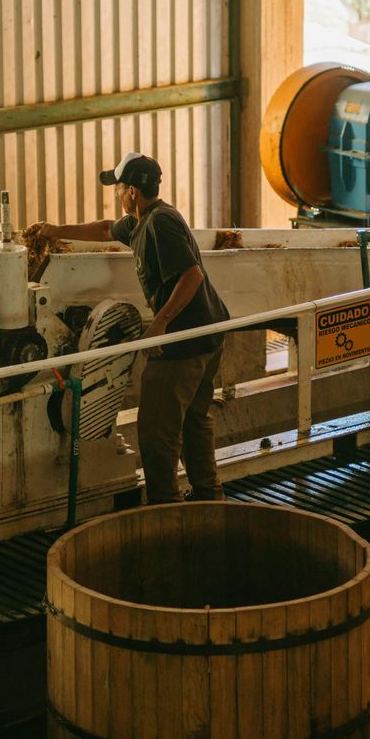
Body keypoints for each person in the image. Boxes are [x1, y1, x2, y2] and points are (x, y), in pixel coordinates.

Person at [30, 153, 230, 503]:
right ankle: (210, 501)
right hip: (208, 334)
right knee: (193, 423)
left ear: (133, 191)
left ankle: (166, 511)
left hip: (184, 343)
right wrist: (54, 231)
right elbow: (106, 228)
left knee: (157, 433)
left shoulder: (160, 224)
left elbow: (191, 274)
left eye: (119, 188)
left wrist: (160, 324)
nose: (117, 194)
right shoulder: (142, 220)